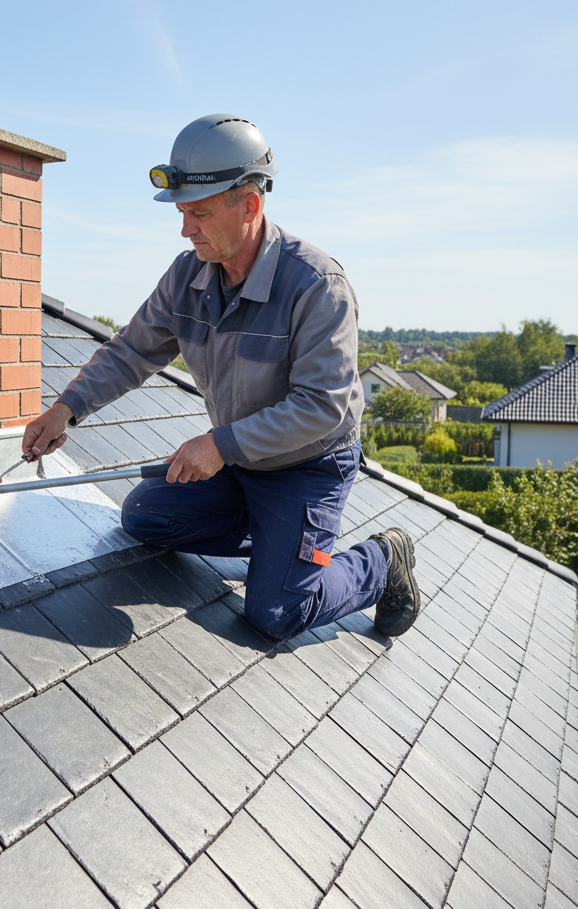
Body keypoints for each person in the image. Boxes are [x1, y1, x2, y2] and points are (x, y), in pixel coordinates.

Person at [22, 114, 419, 641]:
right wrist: (64, 408)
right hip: (237, 463)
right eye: (183, 213)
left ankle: (379, 561)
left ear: (249, 204)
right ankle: (284, 545)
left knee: (276, 612)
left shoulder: (317, 286)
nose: (186, 228)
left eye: (200, 213)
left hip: (307, 466)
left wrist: (220, 444)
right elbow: (130, 352)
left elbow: (326, 405)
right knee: (144, 518)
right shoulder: (186, 277)